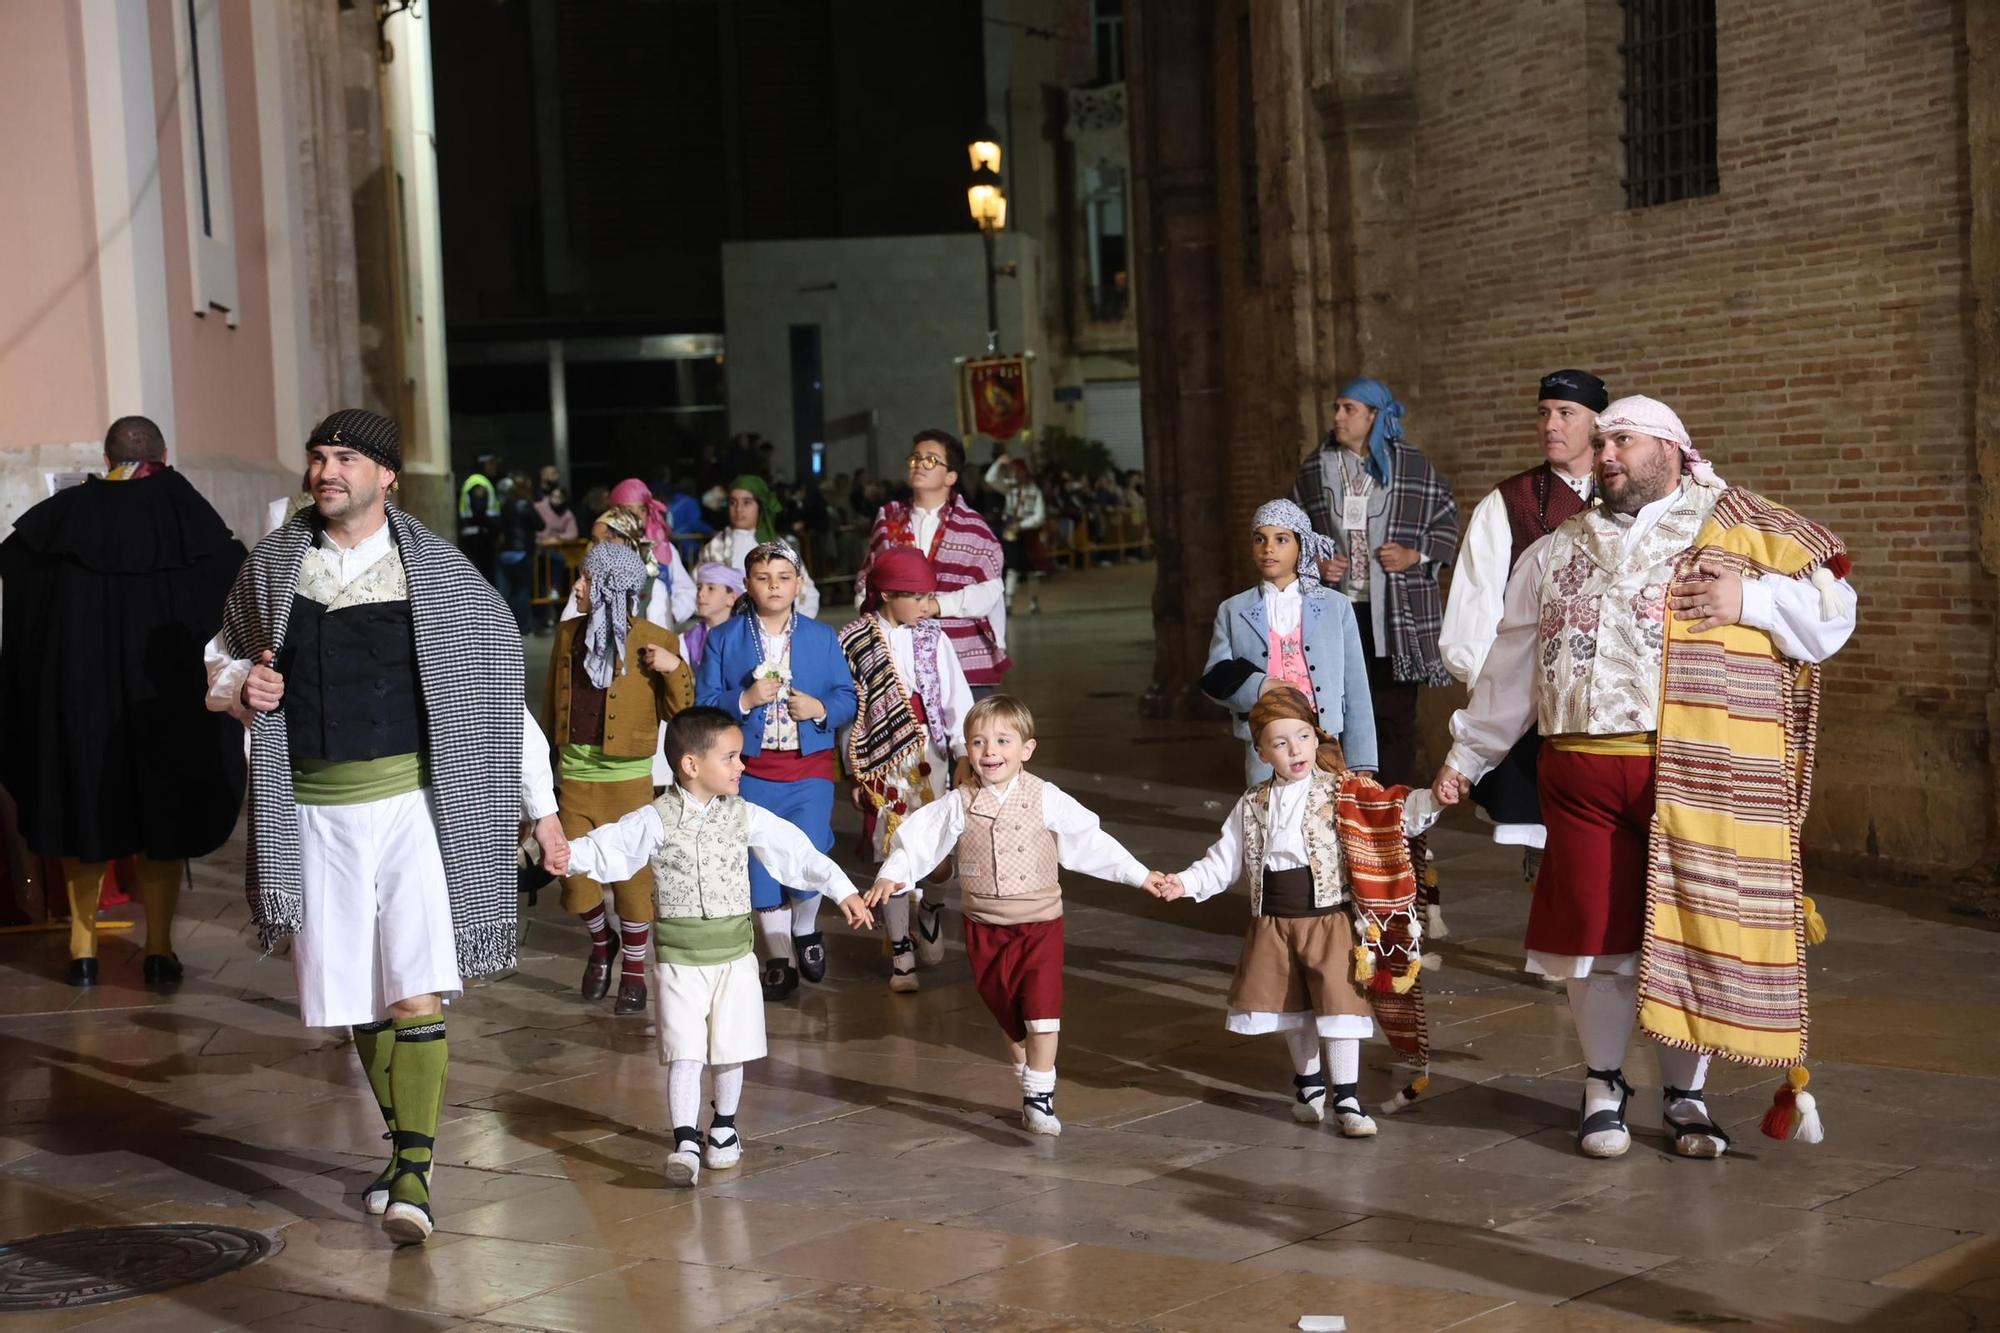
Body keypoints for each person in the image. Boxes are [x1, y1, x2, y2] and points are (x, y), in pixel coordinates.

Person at [1432, 395, 1857, 1161]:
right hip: (1581, 771)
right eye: (1599, 443)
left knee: (1687, 931)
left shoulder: (1732, 526)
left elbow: (1834, 613)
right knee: (1594, 936)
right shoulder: (1556, 548)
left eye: (1620, 439)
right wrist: (1468, 756)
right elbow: (1510, 664)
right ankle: (1602, 1086)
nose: (1605, 455)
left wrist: (1750, 598)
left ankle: (1686, 1095)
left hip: (1692, 769)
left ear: (1672, 447)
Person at [206, 409, 567, 1244]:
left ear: (386, 476)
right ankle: (405, 1148)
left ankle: (414, 1166)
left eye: (344, 457)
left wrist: (541, 809)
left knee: (413, 985)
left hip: (412, 810)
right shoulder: (273, 567)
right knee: (358, 997)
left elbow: (493, 700)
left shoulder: (438, 574)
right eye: (318, 455)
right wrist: (236, 692)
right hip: (312, 812)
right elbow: (219, 657)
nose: (325, 470)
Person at [564, 707, 874, 1185]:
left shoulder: (744, 815)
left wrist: (842, 888)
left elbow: (795, 850)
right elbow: (611, 847)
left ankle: (724, 1127)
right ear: (691, 765)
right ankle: (686, 1138)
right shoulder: (656, 818)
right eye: (730, 757)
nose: (741, 766)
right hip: (679, 960)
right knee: (685, 1051)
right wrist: (568, 854)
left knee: (731, 1045)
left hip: (733, 956)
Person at [0, 416, 247, 987]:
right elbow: (231, 582)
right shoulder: (187, 512)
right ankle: (159, 949)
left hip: (79, 701)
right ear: (164, 451)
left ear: (103, 453)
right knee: (165, 814)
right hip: (165, 702)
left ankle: (82, 951)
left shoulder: (63, 517)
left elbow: (19, 578)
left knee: (81, 810)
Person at [865, 696, 1169, 1136]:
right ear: (966, 750)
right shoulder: (958, 803)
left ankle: (1040, 1096)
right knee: (1008, 1011)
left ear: (1027, 749)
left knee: (1042, 1010)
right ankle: (1029, 1082)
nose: (990, 751)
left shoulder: (1045, 797)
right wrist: (893, 876)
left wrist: (1141, 876)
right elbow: (916, 841)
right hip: (984, 926)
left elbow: (1091, 841)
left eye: (1003, 741)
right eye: (979, 742)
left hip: (1040, 923)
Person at [1160, 686, 1439, 1137]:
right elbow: (1223, 860)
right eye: (1280, 742)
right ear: (1262, 751)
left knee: (1339, 1007)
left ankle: (1347, 1097)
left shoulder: (1344, 791)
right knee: (1293, 1008)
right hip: (1274, 920)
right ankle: (1310, 1087)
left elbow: (1393, 811)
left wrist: (1434, 800)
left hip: (1328, 919)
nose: (1295, 750)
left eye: (1303, 736)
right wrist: (1185, 883)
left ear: (1317, 738)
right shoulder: (1251, 804)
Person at [1439, 371, 1605, 893]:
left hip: (1618, 699)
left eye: (1565, 413)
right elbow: (1475, 604)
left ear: (1598, 422)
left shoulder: (1628, 489)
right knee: (1545, 836)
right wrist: (1495, 699)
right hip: (1537, 697)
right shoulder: (1508, 502)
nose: (1550, 426)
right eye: (1543, 413)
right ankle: (1557, 950)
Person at [696, 541, 856, 999]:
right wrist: (743, 700)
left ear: (799, 584)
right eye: (763, 578)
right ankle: (778, 956)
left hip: (809, 770)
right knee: (758, 862)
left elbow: (847, 697)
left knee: (807, 851)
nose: (774, 586)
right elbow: (704, 703)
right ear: (747, 584)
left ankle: (806, 929)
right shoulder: (724, 638)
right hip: (749, 773)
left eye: (784, 578)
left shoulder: (822, 637)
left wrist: (821, 706)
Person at [544, 542, 695, 1015]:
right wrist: (543, 777)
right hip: (575, 778)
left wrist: (675, 669)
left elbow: (683, 712)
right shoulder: (567, 634)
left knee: (632, 881)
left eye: (585, 579)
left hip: (630, 782)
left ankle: (633, 970)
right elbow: (552, 702)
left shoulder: (656, 640)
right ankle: (600, 940)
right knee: (572, 875)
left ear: (609, 585)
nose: (577, 587)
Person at [1291, 378, 1460, 786]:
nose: (1337, 417)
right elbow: (1293, 528)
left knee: (1395, 714)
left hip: (1394, 616)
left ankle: (1396, 818)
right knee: (1338, 711)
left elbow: (1447, 519)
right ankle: (1349, 812)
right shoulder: (1316, 468)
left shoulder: (1412, 465)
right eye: (1337, 408)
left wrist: (1413, 555)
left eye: (1349, 409)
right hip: (1337, 610)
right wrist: (1315, 562)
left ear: (1373, 415)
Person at [838, 546, 973, 993]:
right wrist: (854, 772)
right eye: (915, 596)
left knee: (936, 856)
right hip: (880, 762)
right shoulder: (854, 639)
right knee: (890, 850)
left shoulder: (935, 639)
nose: (924, 604)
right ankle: (901, 953)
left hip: (929, 757)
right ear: (887, 594)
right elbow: (849, 714)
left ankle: (931, 909)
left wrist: (964, 758)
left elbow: (958, 702)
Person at [1201, 499, 1376, 784]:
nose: (1268, 548)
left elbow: (1356, 686)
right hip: (1265, 745)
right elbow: (1213, 677)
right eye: (1260, 539)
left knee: (1323, 820)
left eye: (1281, 539)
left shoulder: (1336, 606)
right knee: (1270, 820)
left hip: (1325, 740)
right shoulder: (1232, 610)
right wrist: (1261, 685)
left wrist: (1362, 759)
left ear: (1302, 546)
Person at [858, 430, 1009, 695]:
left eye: (930, 460)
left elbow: (990, 591)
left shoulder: (973, 528)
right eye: (915, 458)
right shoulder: (889, 519)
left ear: (951, 476)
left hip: (961, 655)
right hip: (900, 654)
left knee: (967, 734)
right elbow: (868, 579)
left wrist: (937, 605)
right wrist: (878, 619)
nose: (919, 465)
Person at [700, 474, 822, 619]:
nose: (738, 509)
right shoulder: (715, 547)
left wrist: (793, 628)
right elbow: (699, 593)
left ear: (760, 506)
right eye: (733, 502)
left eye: (747, 502)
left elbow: (806, 593)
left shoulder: (779, 548)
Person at [609, 477, 698, 622]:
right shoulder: (604, 552)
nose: (636, 516)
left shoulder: (663, 548)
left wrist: (670, 615)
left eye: (642, 510)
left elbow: (687, 591)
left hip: (659, 637)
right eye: (628, 510)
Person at [985, 455, 1047, 614]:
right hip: (1011, 533)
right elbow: (990, 478)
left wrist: (1022, 525)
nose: (1014, 475)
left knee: (1032, 570)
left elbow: (1039, 516)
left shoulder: (1035, 491)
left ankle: (1033, 602)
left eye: (1017, 471)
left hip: (1028, 534)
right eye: (1012, 471)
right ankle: (1009, 602)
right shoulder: (1010, 488)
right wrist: (999, 462)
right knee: (1012, 568)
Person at [495, 472, 542, 633]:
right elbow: (540, 524)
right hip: (521, 553)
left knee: (505, 591)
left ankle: (504, 625)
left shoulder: (505, 505)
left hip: (505, 552)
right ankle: (520, 625)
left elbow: (499, 526)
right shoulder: (526, 506)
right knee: (522, 591)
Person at [682, 562, 743, 672]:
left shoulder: (744, 634)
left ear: (732, 598)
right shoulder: (688, 639)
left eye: (711, 588)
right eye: (699, 587)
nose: (701, 594)